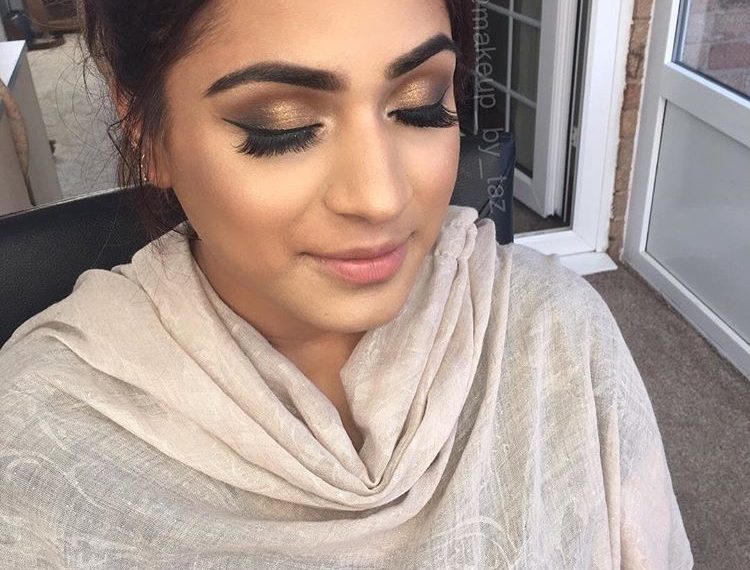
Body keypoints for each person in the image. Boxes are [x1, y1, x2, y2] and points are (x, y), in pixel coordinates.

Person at [0, 0, 694, 567]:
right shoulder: (39, 434)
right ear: (145, 130)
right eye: (281, 127)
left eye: (421, 105)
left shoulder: (558, 333)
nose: (381, 198)